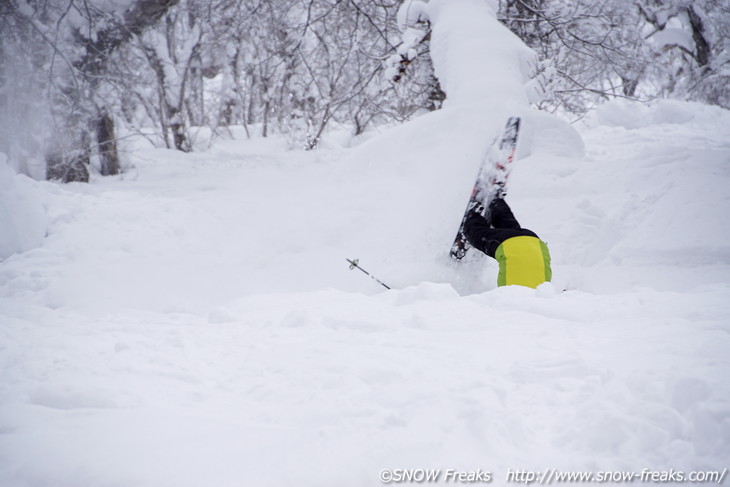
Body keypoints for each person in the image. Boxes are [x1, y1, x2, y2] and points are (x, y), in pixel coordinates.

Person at [463, 194, 551, 289]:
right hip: (508, 244)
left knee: (510, 227)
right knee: (478, 234)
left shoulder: (543, 296)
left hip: (534, 242)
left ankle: (497, 204)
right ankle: (473, 215)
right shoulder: (512, 299)